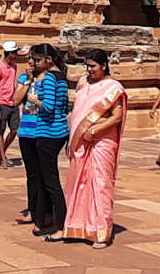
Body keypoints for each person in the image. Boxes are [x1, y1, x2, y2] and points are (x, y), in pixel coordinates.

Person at [51, 49, 126, 248]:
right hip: (81, 140)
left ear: (104, 66)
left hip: (102, 141)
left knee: (100, 184)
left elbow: (116, 116)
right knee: (78, 183)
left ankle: (101, 232)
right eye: (88, 66)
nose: (89, 70)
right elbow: (77, 112)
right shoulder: (83, 83)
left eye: (93, 66)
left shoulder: (112, 87)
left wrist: (96, 130)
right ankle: (77, 226)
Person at [17, 43, 69, 237]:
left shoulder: (48, 78)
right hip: (59, 131)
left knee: (47, 180)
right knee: (47, 179)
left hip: (46, 131)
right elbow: (64, 106)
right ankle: (47, 218)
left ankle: (58, 224)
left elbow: (48, 106)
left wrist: (33, 99)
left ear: (48, 60)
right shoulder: (62, 77)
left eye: (38, 60)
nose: (34, 63)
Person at [0, 40, 25, 169]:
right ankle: (3, 158)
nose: (16, 55)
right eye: (15, 52)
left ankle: (1, 152)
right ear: (9, 53)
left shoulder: (14, 67)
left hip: (12, 102)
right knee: (1, 130)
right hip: (2, 102)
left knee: (14, 130)